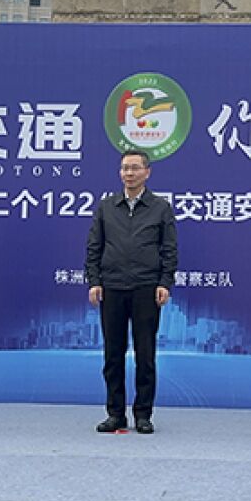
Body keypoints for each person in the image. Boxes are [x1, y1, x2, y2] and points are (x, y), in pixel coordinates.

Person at [85, 149, 178, 434]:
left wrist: (164, 282)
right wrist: (94, 280)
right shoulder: (106, 206)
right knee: (112, 355)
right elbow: (94, 247)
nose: (129, 173)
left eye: (135, 168)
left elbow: (169, 250)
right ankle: (115, 413)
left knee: (145, 355)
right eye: (125, 168)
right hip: (112, 287)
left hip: (146, 288)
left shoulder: (160, 207)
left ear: (147, 172)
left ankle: (143, 414)